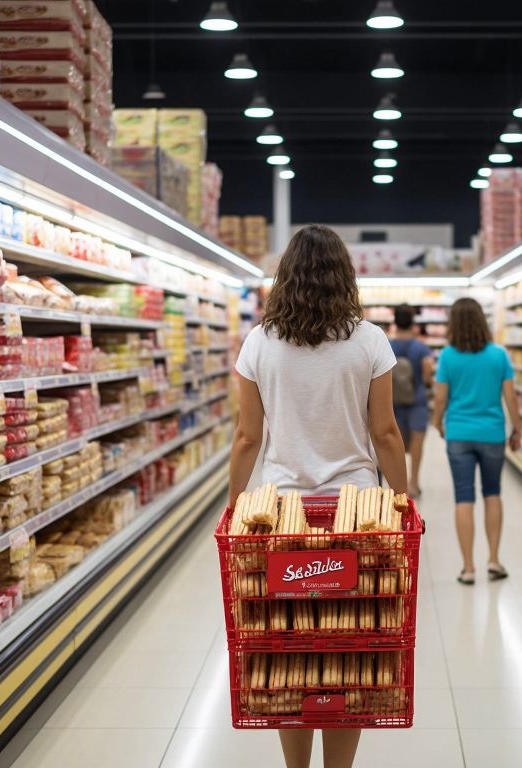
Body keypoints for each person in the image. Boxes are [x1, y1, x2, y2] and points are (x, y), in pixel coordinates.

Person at [227, 224, 409, 768]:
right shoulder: (370, 340)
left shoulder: (259, 341)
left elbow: (246, 436)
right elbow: (385, 433)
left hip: (282, 516)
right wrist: (401, 501)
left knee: (290, 649)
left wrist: (238, 507)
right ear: (344, 276)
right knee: (349, 652)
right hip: (358, 518)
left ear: (285, 277)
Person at [430, 297, 521, 586]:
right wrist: (516, 428)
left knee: (463, 497)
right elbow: (510, 396)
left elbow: (441, 397)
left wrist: (437, 422)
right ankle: (493, 560)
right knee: (492, 493)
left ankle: (468, 567)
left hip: (459, 432)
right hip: (492, 433)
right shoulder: (499, 355)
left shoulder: (447, 356)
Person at [387, 304, 434, 498]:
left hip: (392, 402)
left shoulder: (387, 345)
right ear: (413, 323)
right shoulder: (421, 348)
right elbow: (427, 376)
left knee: (393, 443)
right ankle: (413, 483)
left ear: (395, 322)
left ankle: (398, 487)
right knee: (416, 444)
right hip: (417, 402)